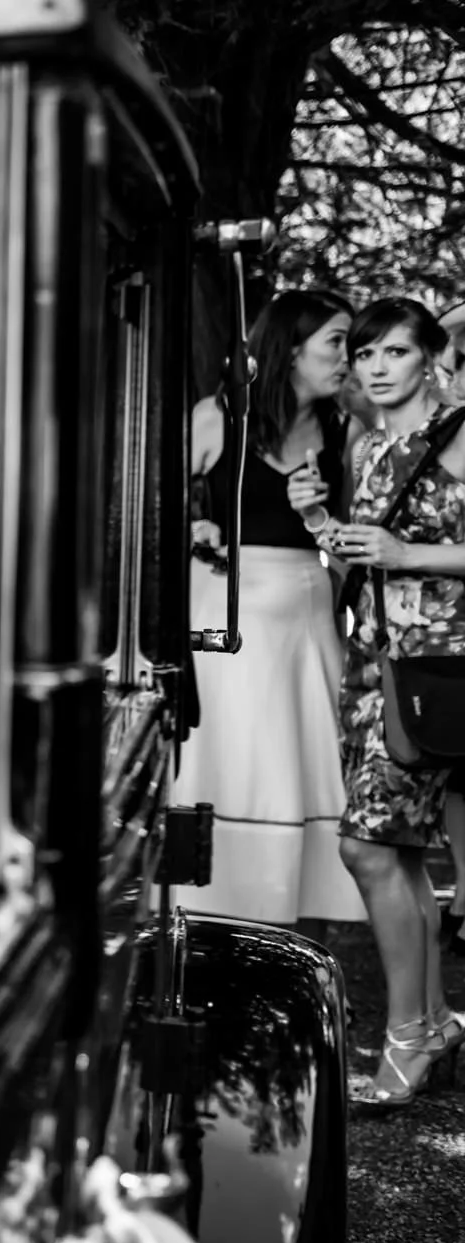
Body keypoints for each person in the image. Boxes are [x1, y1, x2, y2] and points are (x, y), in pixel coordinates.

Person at [289, 296, 465, 1106]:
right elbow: (363, 560)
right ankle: (430, 1024)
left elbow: (408, 550)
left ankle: (406, 1040)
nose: (376, 366)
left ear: (430, 357)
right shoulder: (367, 443)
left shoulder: (460, 435)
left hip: (442, 672)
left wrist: (407, 550)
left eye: (395, 352)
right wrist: (319, 518)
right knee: (391, 852)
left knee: (367, 849)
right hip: (377, 666)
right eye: (364, 354)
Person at [172, 290, 365, 925]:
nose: (349, 355)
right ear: (290, 348)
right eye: (336, 341)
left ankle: (290, 911)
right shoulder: (217, 417)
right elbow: (147, 515)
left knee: (296, 764)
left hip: (307, 617)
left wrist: (323, 525)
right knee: (231, 756)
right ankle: (202, 910)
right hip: (226, 613)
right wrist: (192, 532)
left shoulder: (348, 430)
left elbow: (353, 551)